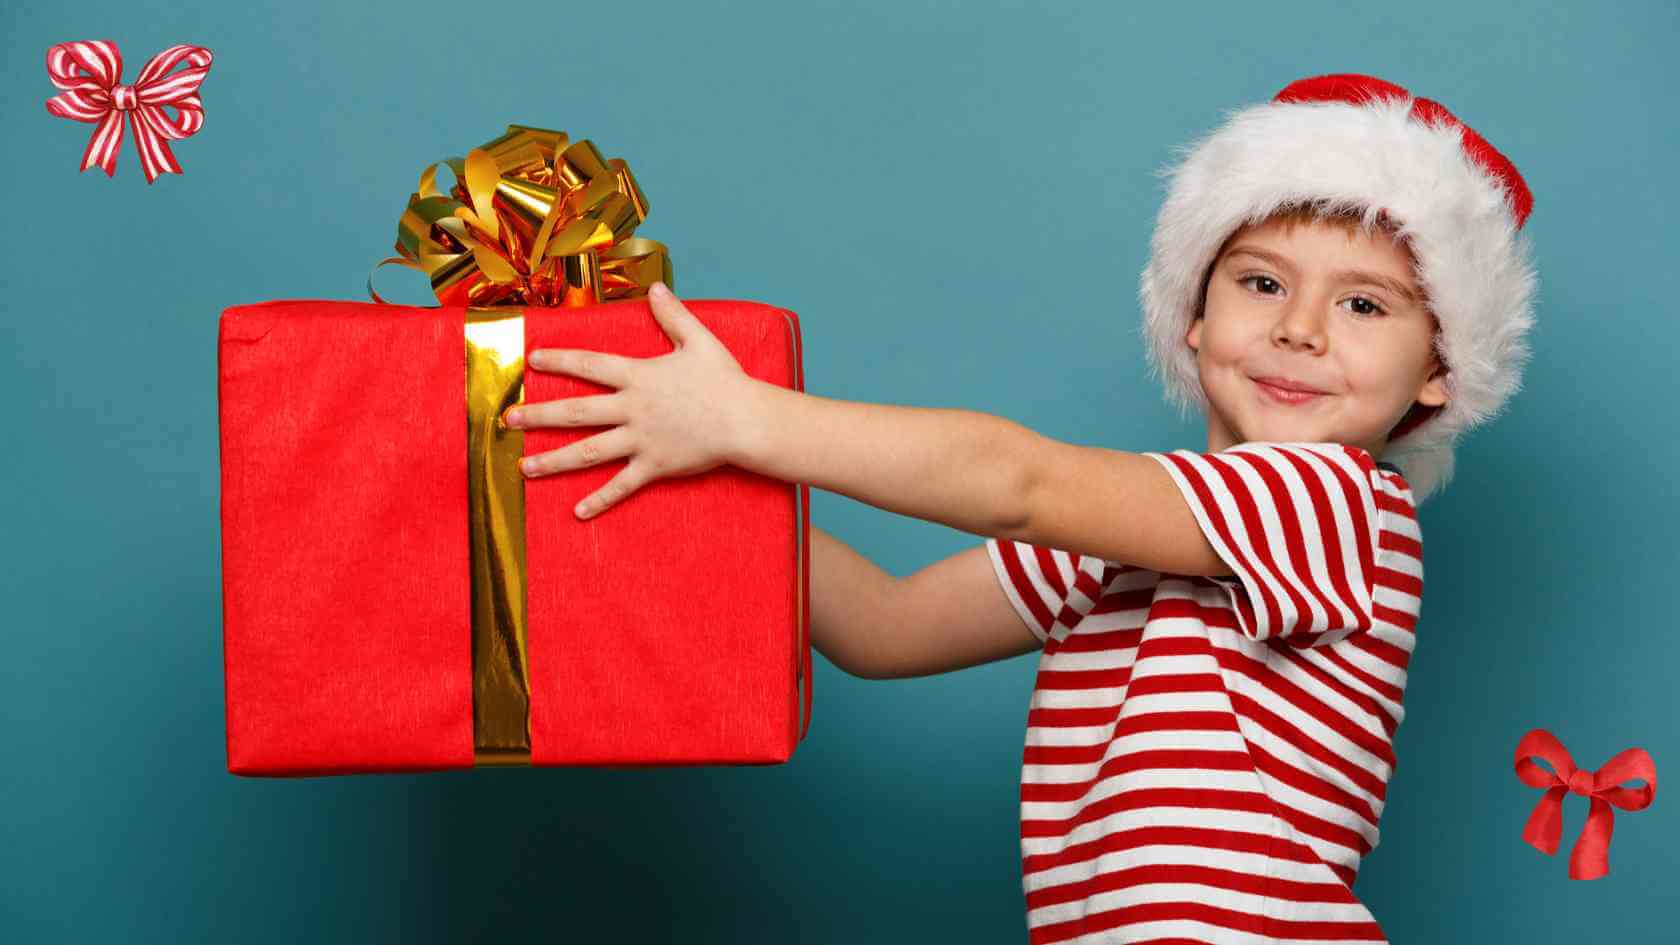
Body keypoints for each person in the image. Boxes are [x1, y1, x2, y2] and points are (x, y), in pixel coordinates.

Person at [502, 73, 1538, 943]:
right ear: (1192, 315)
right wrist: (696, 478)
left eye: (1364, 304)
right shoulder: (1136, 533)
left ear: (1439, 370)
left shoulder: (1334, 504)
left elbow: (1019, 484)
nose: (1301, 329)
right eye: (1261, 283)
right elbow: (886, 626)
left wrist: (747, 420)